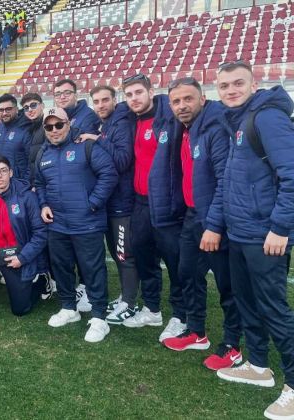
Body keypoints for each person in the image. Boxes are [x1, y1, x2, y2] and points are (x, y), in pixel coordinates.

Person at [212, 61, 294, 419]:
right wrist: (216, 224)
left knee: (275, 309)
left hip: (265, 236)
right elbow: (232, 181)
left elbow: (292, 175)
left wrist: (280, 227)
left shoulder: (266, 117)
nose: (231, 90)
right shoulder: (237, 122)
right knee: (248, 304)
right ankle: (258, 366)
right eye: (225, 85)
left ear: (254, 82)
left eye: (237, 83)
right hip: (240, 233)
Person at [159, 77, 243, 370]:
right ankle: (196, 332)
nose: (182, 106)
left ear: (202, 99)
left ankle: (233, 345)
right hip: (193, 216)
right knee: (186, 273)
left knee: (226, 283)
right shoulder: (185, 130)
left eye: (188, 99)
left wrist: (215, 225)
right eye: (176, 101)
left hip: (214, 219)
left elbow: (224, 180)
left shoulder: (215, 128)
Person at [35, 107, 117, 342]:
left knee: (93, 270)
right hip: (57, 224)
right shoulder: (43, 153)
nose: (54, 130)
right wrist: (43, 205)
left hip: (86, 223)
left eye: (58, 125)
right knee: (61, 267)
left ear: (68, 123)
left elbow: (109, 174)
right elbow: (39, 183)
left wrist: (93, 203)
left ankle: (100, 317)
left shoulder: (86, 145)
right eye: (48, 127)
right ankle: (69, 308)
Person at [119, 74, 187, 344]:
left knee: (174, 261)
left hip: (167, 204)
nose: (134, 98)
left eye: (138, 92)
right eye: (129, 94)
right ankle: (152, 309)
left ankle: (181, 315)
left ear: (150, 91)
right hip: (140, 201)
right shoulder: (130, 120)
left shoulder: (168, 118)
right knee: (144, 256)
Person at [82, 85, 138, 325]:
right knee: (116, 253)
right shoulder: (105, 124)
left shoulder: (121, 123)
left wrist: (97, 139)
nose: (101, 105)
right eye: (96, 101)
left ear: (114, 100)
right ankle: (125, 297)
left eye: (105, 100)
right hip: (111, 202)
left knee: (125, 254)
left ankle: (130, 303)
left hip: (123, 202)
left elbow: (123, 160)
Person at [0, 156, 48, 316]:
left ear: (10, 173)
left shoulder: (27, 197)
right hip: (0, 252)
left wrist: (22, 258)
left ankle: (41, 281)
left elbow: (41, 234)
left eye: (3, 171)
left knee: (20, 309)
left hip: (21, 254)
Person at [0, 93, 32, 181]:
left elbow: (31, 162)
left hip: (19, 182)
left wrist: (26, 183)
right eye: (1, 110)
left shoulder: (26, 128)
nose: (4, 113)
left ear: (16, 109)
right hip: (1, 181)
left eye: (8, 109)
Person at [21, 93, 45, 185]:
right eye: (26, 108)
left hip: (43, 183)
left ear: (42, 106)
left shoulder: (49, 126)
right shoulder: (33, 127)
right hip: (34, 181)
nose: (30, 110)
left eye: (33, 105)